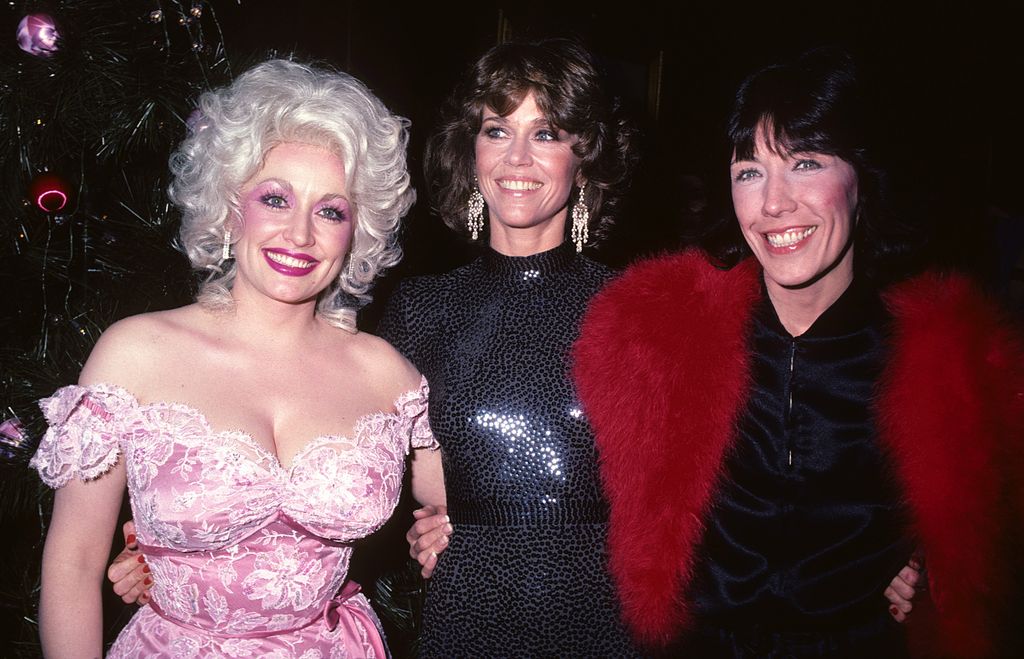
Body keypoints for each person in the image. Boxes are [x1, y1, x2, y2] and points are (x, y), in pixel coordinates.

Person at [572, 47, 1024, 658]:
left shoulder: (958, 368)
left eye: (805, 162)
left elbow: (992, 542)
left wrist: (935, 563)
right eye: (750, 171)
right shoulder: (652, 339)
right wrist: (454, 515)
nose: (774, 203)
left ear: (863, 178)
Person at [30, 58, 432, 657]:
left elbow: (476, 504)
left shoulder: (386, 374)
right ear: (228, 205)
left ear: (359, 230)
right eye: (275, 198)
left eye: (330, 210)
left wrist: (446, 529)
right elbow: (74, 565)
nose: (300, 235)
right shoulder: (136, 353)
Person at [376, 37, 642, 657]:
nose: (517, 157)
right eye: (498, 130)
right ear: (470, 153)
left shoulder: (637, 308)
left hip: (604, 618)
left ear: (586, 158)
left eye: (546, 134)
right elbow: (357, 469)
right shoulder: (420, 310)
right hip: (467, 612)